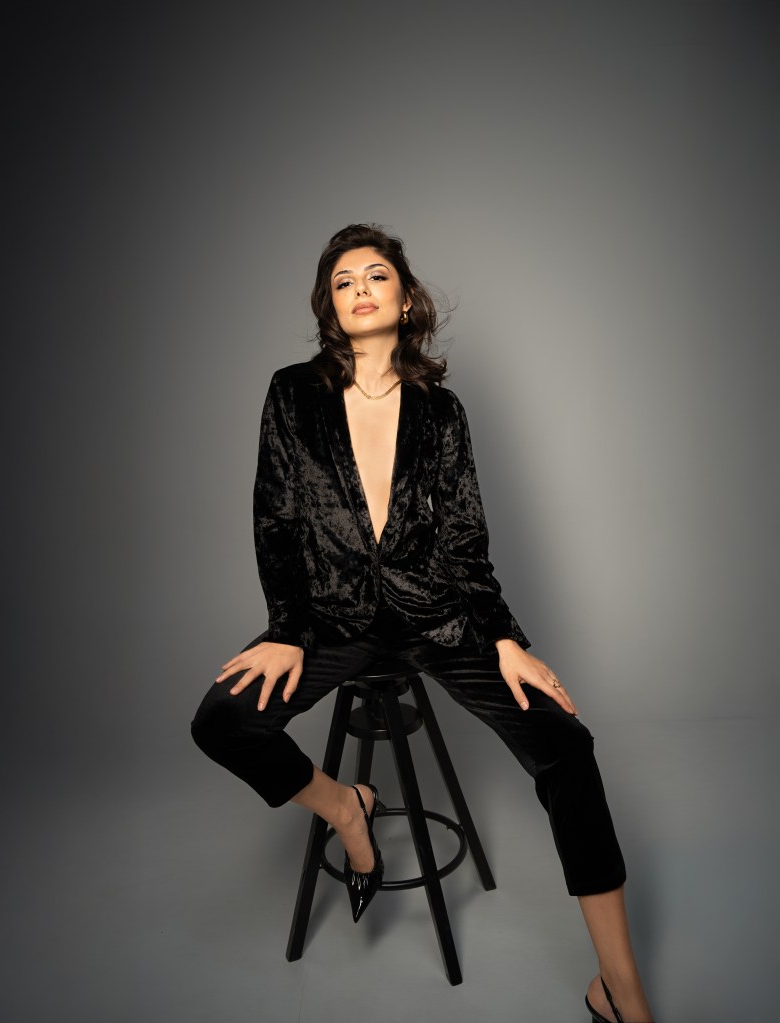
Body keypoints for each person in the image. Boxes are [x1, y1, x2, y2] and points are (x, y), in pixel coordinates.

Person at [191, 223, 654, 1022]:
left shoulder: (440, 411)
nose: (359, 289)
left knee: (567, 747)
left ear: (405, 300)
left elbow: (465, 541)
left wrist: (505, 640)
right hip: (329, 620)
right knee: (221, 721)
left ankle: (619, 989)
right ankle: (347, 808)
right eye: (343, 281)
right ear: (329, 307)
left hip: (435, 617)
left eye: (376, 275)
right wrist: (285, 629)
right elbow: (276, 522)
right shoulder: (292, 394)